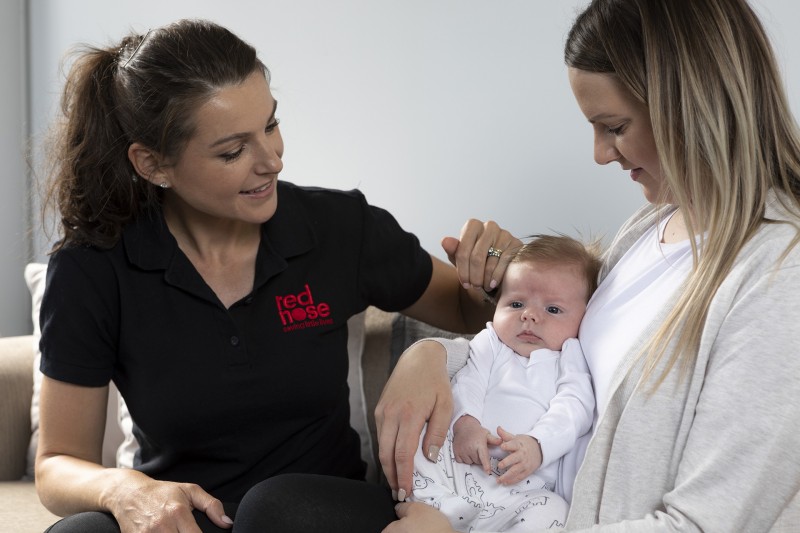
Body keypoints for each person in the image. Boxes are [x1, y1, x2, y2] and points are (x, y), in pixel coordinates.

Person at [34, 19, 521, 533]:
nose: (273, 160)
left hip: (316, 514)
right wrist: (124, 488)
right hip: (188, 521)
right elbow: (58, 462)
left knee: (274, 508)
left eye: (270, 124)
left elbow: (468, 312)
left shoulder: (339, 228)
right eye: (232, 150)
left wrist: (493, 272)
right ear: (153, 165)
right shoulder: (92, 268)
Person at [377, 0, 800, 531]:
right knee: (285, 507)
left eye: (614, 126)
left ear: (689, 105)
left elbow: (702, 524)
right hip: (507, 508)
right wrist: (431, 354)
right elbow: (547, 345)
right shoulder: (648, 230)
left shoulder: (780, 278)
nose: (601, 154)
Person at [407, 235, 601, 532]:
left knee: (555, 513)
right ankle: (430, 510)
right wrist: (466, 424)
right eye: (516, 303)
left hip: (519, 491)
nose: (529, 315)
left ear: (586, 317)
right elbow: (468, 381)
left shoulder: (570, 356)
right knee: (422, 437)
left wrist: (538, 445)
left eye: (553, 309)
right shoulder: (492, 342)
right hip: (460, 465)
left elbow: (574, 408)